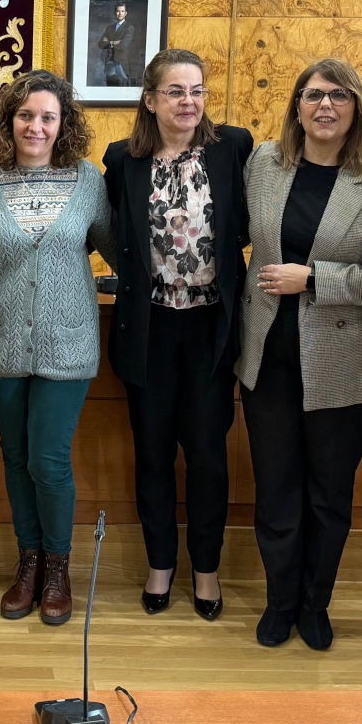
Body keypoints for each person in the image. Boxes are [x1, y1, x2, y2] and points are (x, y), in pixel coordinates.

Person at [237, 59, 362, 650]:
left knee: (328, 494)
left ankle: (315, 604)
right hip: (267, 356)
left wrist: (313, 278)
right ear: (297, 105)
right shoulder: (264, 163)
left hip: (342, 362)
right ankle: (279, 601)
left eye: (340, 95)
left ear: (357, 106)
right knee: (276, 491)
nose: (326, 106)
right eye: (314, 95)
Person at [0, 70, 114, 625]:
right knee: (16, 456)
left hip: (68, 345)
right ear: (9, 120)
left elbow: (117, 248)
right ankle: (27, 563)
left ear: (63, 123)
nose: (36, 126)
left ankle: (57, 567)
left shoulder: (88, 181)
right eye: (25, 115)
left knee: (49, 459)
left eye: (48, 116)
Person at [103, 48, 252, 621]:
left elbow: (249, 224)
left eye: (197, 90)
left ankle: (206, 570)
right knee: (153, 455)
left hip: (212, 326)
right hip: (150, 328)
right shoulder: (122, 159)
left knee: (209, 457)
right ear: (150, 99)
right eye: (175, 91)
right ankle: (160, 565)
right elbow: (115, 234)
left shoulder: (234, 147)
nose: (188, 102)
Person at [97, 3, 135, 86]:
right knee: (110, 86)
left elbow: (123, 46)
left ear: (126, 13)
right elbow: (100, 44)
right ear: (115, 12)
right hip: (109, 62)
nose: (120, 13)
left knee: (124, 86)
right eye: (118, 11)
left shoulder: (129, 28)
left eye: (122, 11)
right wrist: (114, 42)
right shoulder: (109, 28)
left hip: (122, 63)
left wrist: (109, 41)